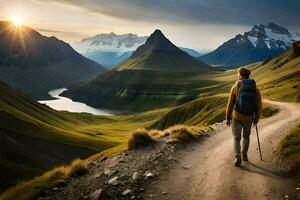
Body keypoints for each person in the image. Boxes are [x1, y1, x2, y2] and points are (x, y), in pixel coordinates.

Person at [226, 67, 262, 167]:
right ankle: (244, 155)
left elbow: (230, 104)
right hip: (249, 118)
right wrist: (256, 119)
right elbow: (259, 106)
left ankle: (237, 156)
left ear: (240, 75)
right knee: (246, 137)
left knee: (236, 137)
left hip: (236, 117)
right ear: (248, 75)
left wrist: (228, 117)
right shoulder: (255, 89)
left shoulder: (235, 87)